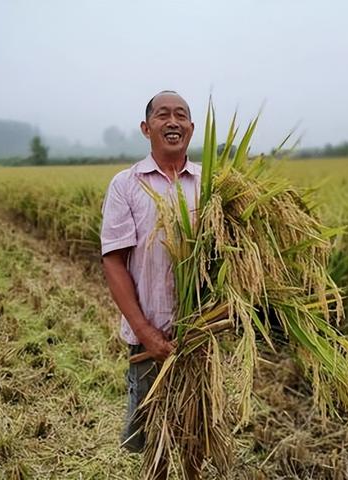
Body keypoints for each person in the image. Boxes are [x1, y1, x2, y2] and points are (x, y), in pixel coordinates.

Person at [100, 91, 201, 477]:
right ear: (147, 128)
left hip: (200, 335)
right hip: (149, 339)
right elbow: (113, 260)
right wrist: (145, 332)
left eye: (181, 116)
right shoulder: (127, 184)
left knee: (198, 430)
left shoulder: (208, 185)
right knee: (153, 438)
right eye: (163, 115)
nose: (172, 122)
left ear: (191, 128)